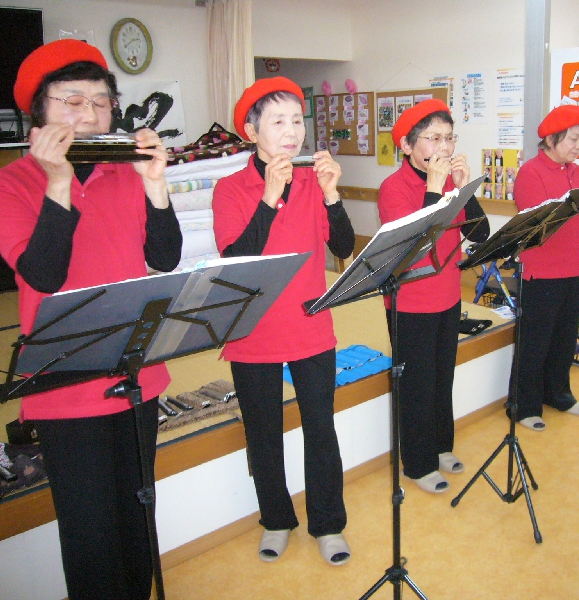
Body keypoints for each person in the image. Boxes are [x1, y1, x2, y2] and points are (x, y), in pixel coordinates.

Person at [0, 40, 182, 599]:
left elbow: (165, 257)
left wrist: (155, 184)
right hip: (63, 384)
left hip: (135, 372)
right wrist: (58, 180)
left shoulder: (125, 173)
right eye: (71, 101)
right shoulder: (6, 183)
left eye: (100, 101)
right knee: (90, 529)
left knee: (139, 512)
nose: (90, 115)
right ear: (38, 113)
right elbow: (43, 274)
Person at [212, 77, 355, 565]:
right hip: (252, 333)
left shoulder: (314, 181)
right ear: (252, 131)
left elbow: (343, 246)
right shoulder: (230, 189)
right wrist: (269, 197)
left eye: (297, 120)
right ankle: (275, 519)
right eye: (278, 121)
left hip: (311, 325)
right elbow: (237, 261)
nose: (292, 131)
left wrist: (333, 195)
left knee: (321, 430)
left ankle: (328, 524)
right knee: (263, 434)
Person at [377, 99, 490, 493]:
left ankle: (441, 446)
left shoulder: (450, 185)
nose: (444, 147)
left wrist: (464, 189)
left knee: (443, 379)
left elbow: (480, 233)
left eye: (449, 138)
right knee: (417, 385)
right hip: (410, 303)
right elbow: (413, 248)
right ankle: (417, 463)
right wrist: (433, 190)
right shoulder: (393, 188)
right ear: (407, 146)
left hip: (448, 295)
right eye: (433, 138)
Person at [510, 104, 579, 431]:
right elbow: (539, 225)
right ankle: (523, 406)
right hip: (542, 271)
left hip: (576, 267)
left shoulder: (578, 172)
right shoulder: (531, 173)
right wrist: (576, 204)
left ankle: (558, 393)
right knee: (535, 342)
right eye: (573, 139)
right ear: (551, 138)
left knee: (564, 337)